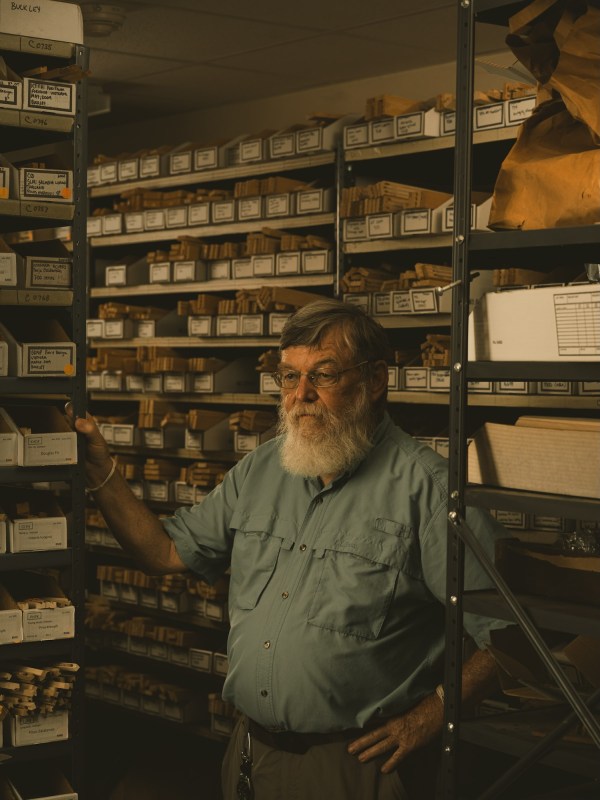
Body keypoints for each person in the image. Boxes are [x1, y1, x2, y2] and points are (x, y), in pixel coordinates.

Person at [74, 298, 507, 800]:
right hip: (251, 753)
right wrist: (100, 473)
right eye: (288, 377)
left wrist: (430, 716)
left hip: (352, 767)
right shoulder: (261, 471)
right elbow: (166, 553)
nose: (301, 395)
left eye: (322, 375)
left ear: (374, 381)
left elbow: (507, 633)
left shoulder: (428, 490)